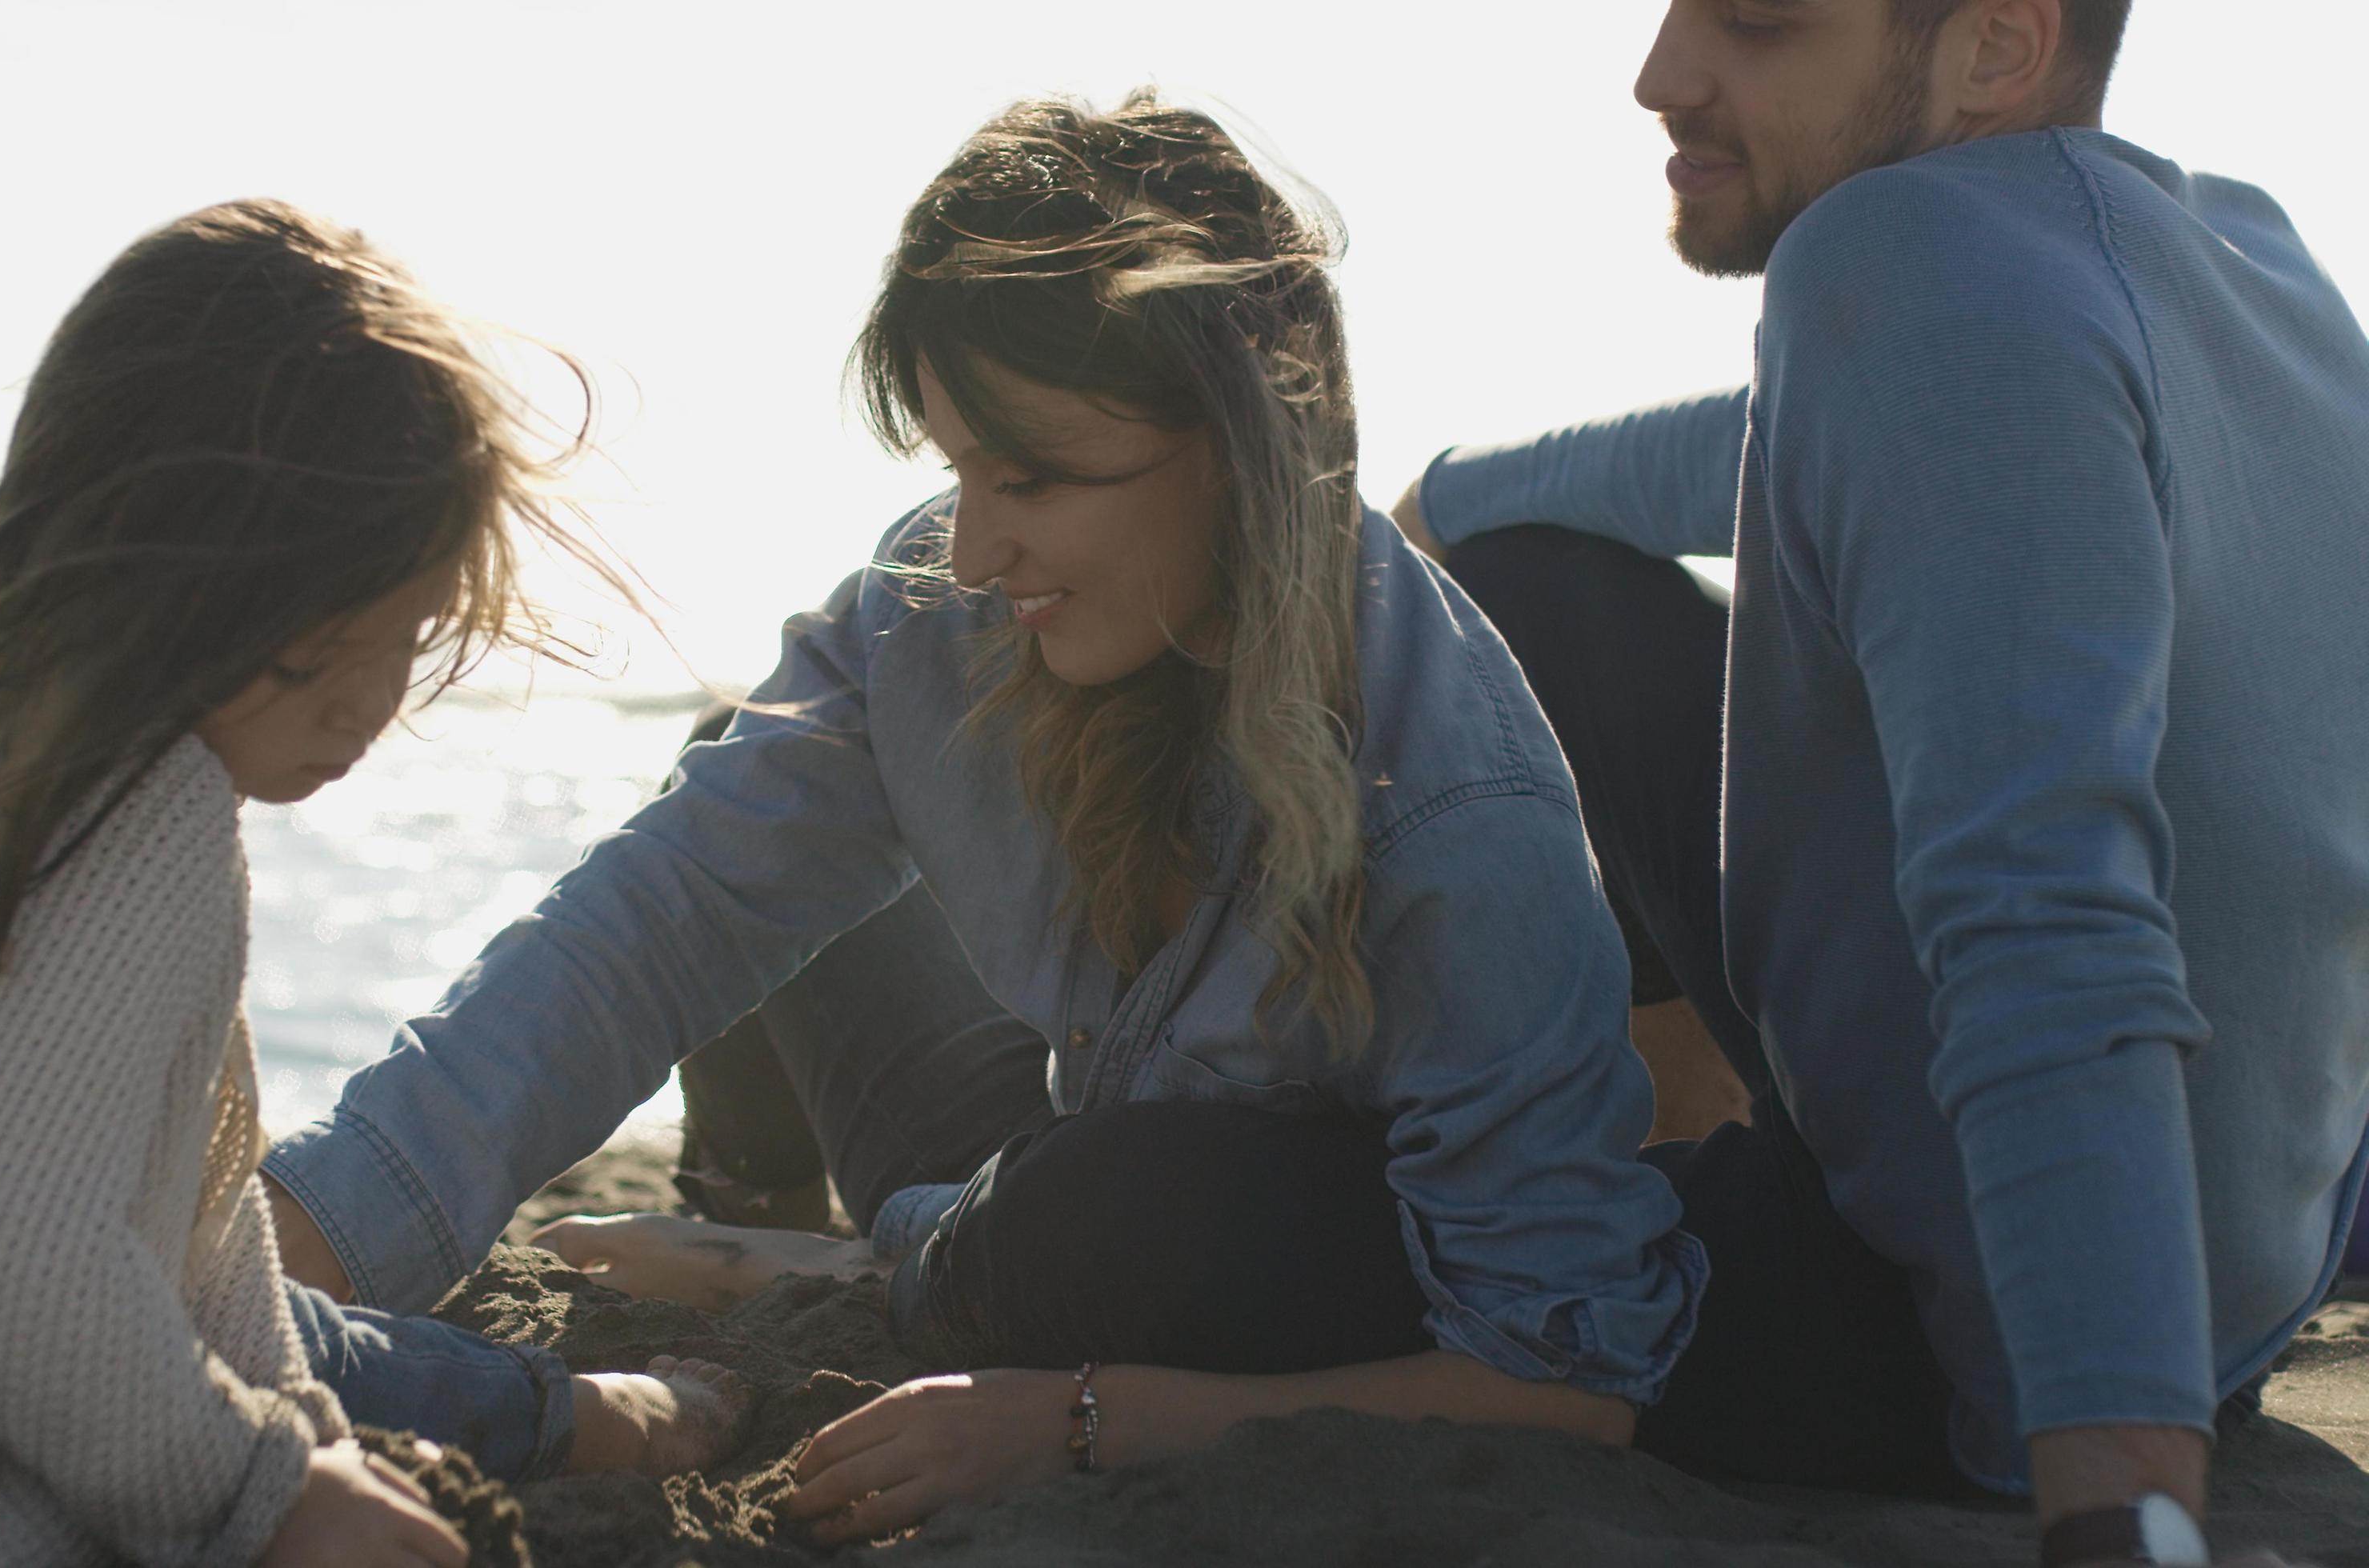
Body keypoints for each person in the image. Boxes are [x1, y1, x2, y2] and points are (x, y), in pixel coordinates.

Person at [257, 94, 1707, 1543]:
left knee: (1126, 1213)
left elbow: (1564, 1384)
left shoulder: (1455, 813)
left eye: (1035, 478)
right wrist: (312, 1234)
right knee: (741, 778)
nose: (973, 543)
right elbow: (659, 919)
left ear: (1249, 446)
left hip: (1170, 1260)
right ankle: (757, 1211)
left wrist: (1080, 1424)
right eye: (956, 466)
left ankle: (823, 1258)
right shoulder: (944, 618)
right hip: (1035, 1171)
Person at [0, 199, 748, 1568]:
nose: (374, 699)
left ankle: (558, 1415)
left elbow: (199, 1232)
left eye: (408, 636)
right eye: (327, 645)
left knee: (293, 1357)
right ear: (188, 581)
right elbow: (19, 1279)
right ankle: (576, 1417)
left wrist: (286, 1439)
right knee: (261, 1392)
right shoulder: (137, 817)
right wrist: (268, 1497)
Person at [1383, 2, 2369, 1563]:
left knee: (1138, 1229)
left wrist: (2120, 1495)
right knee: (1527, 570)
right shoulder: (2245, 262)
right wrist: (1452, 493)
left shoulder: (1900, 250)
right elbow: (1812, 455)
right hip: (2240, 1273)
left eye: (1758, 24)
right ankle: (1681, 1149)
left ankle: (1670, 1198)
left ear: (1996, 46)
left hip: (1992, 1331)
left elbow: (2042, 891)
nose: (1659, 76)